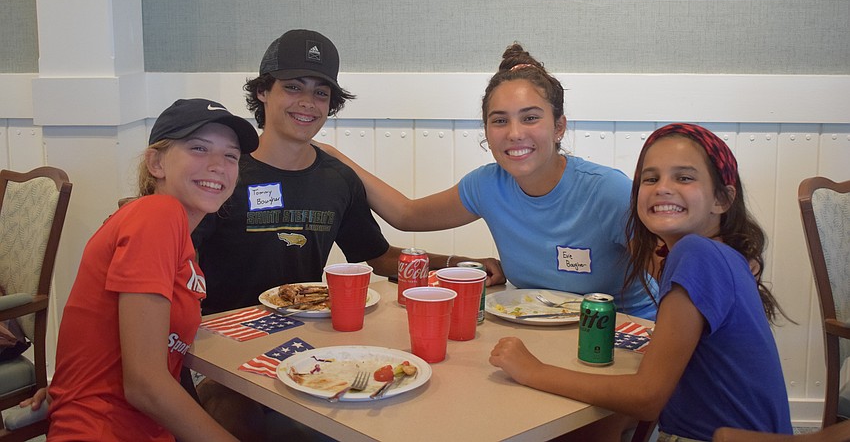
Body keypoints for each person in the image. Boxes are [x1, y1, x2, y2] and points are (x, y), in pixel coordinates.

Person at [192, 29, 503, 440]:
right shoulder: (226, 171)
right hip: (223, 351)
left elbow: (379, 257)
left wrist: (459, 265)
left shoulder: (337, 179)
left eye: (321, 93)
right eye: (292, 87)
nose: (307, 102)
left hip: (308, 348)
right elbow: (177, 263)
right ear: (263, 92)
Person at [489, 123, 793, 441]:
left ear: (722, 199)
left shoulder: (695, 253)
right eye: (651, 178)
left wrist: (532, 370)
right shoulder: (719, 254)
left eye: (684, 177)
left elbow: (646, 398)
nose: (663, 187)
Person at [319, 43, 656, 319]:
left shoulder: (608, 191)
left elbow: (673, 276)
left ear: (558, 127)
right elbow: (406, 215)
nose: (514, 134)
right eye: (499, 121)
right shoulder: (486, 186)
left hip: (623, 336)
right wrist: (337, 157)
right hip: (538, 331)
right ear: (486, 132)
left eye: (530, 118)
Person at [41, 98, 258, 441]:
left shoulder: (175, 237)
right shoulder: (158, 216)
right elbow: (145, 385)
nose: (218, 165)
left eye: (230, 155)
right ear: (156, 162)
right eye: (199, 148)